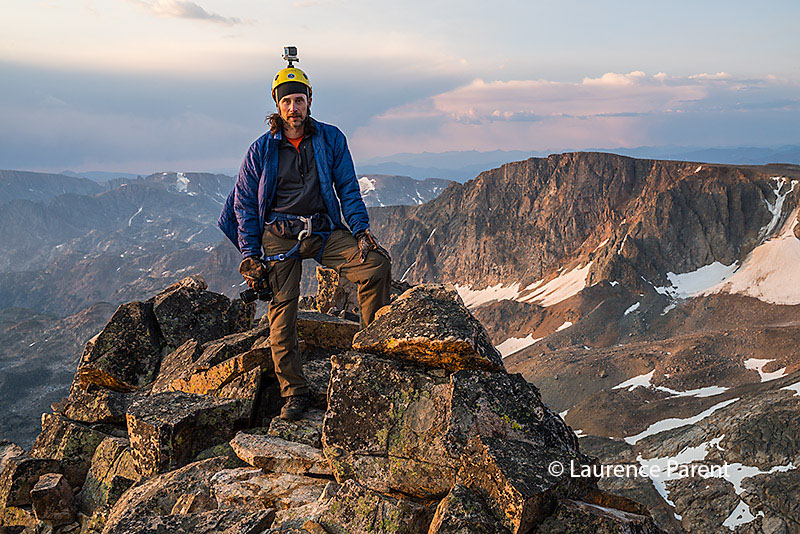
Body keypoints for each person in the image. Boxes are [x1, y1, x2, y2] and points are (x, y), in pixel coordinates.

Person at [218, 48, 391, 421]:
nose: (293, 107)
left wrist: (360, 230)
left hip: (321, 229)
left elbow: (347, 188)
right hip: (278, 237)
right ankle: (294, 394)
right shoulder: (260, 152)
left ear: (310, 101)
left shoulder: (330, 139)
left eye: (299, 99)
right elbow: (244, 206)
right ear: (277, 107)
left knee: (374, 265)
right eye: (287, 101)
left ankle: (373, 359)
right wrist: (250, 255)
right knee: (282, 316)